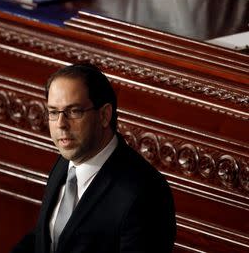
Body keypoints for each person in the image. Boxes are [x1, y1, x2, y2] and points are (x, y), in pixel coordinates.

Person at [11, 63, 176, 253]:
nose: (61, 124)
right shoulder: (66, 161)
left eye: (74, 111)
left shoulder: (146, 193)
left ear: (104, 115)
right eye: (54, 112)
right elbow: (44, 238)